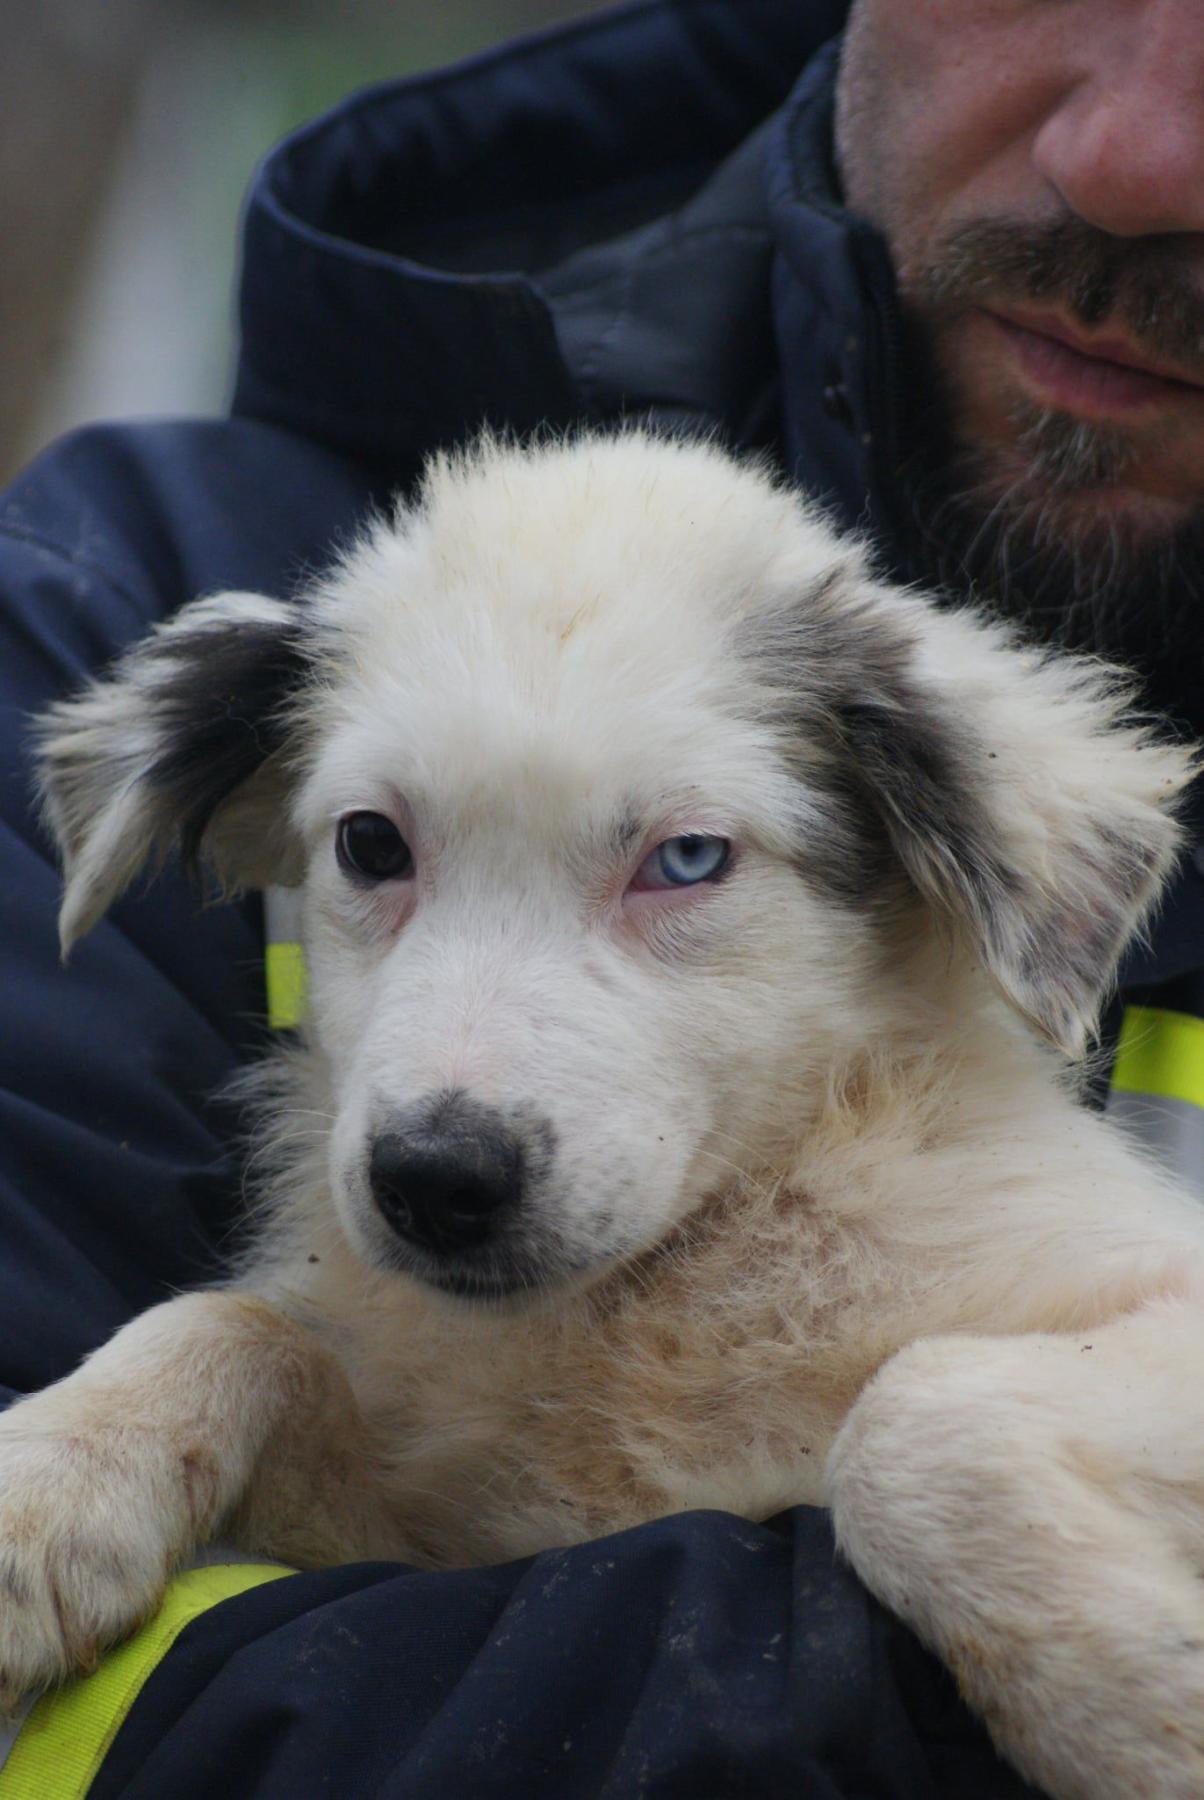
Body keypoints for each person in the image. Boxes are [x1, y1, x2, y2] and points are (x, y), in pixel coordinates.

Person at [0, 1, 1199, 1793]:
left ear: (990, 867)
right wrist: (215, 1378)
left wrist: (961, 1476)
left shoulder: (985, 1165)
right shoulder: (116, 579)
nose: (450, 1104)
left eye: (682, 862)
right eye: (375, 853)